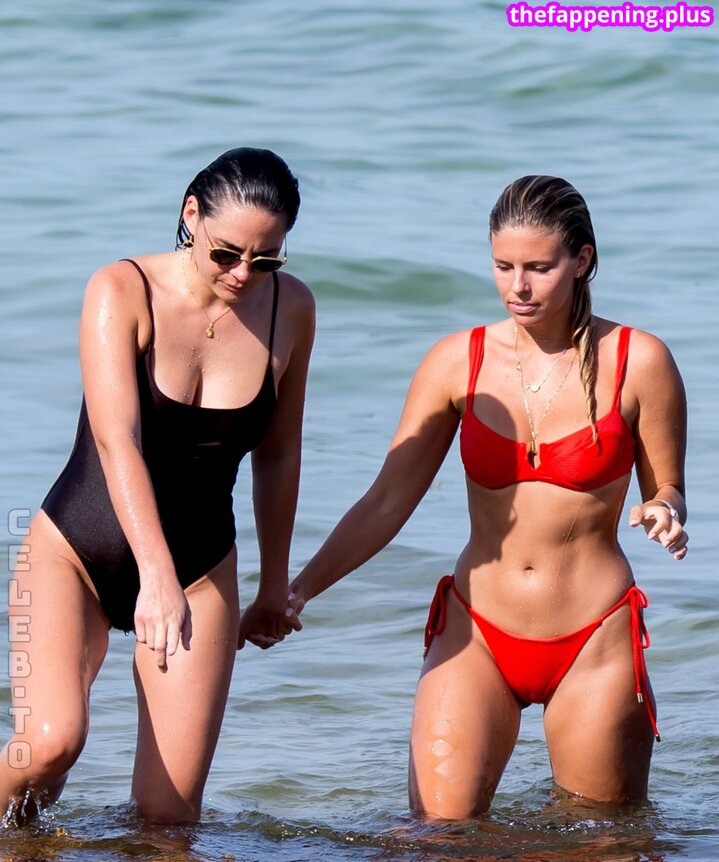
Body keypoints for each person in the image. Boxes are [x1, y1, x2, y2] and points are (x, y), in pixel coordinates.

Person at [287, 175, 688, 820]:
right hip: (477, 630)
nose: (517, 287)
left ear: (582, 260)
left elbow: (667, 487)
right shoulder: (457, 361)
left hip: (593, 636)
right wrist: (300, 590)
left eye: (538, 268)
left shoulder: (639, 361)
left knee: (600, 852)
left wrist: (664, 511)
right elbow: (387, 500)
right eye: (503, 266)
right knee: (440, 843)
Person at [2, 147, 314, 824]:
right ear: (191, 214)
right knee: (49, 746)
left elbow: (279, 453)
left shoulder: (290, 308)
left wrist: (272, 584)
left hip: (201, 566)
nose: (243, 274)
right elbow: (117, 441)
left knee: (167, 820)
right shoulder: (120, 289)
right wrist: (154, 575)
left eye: (265, 259)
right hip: (77, 553)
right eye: (226, 253)